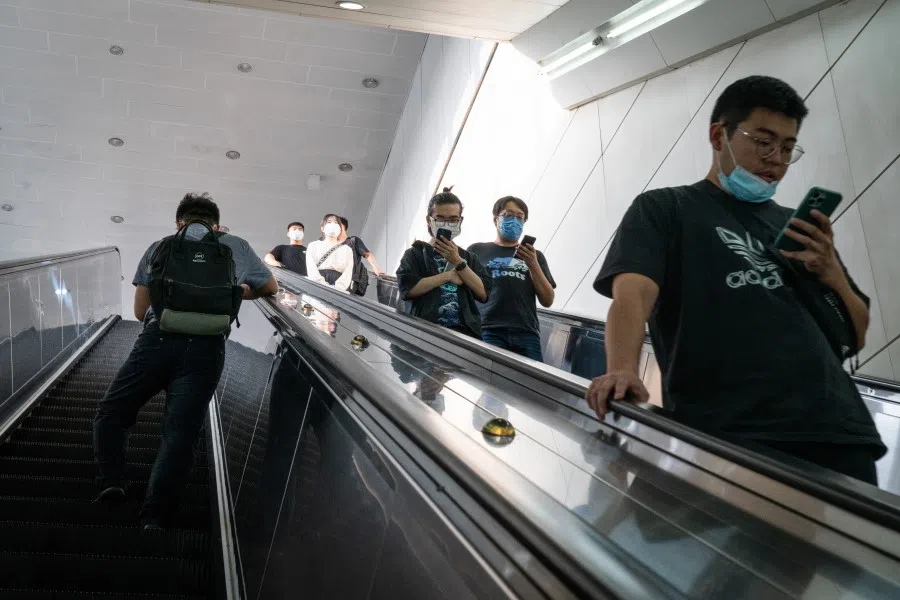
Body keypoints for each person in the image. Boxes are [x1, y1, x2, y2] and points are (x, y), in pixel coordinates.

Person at [585, 75, 886, 484]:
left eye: (787, 147)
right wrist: (622, 368)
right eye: (763, 142)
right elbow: (633, 295)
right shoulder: (666, 208)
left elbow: (858, 333)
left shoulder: (796, 228)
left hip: (839, 430)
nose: (776, 159)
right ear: (718, 136)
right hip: (729, 429)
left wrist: (831, 270)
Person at [93, 192, 278, 527]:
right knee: (180, 433)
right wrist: (239, 291)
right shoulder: (236, 246)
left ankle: (113, 483)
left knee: (112, 412)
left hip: (158, 341)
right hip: (207, 348)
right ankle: (155, 517)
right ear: (216, 225)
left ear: (179, 222)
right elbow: (271, 286)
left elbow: (140, 310)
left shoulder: (160, 246)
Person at [468, 196, 556, 361]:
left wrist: (533, 264)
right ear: (496, 219)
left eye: (520, 217)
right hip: (488, 328)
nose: (514, 221)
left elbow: (547, 300)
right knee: (488, 376)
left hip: (526, 331)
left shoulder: (535, 256)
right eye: (508, 215)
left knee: (531, 377)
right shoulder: (477, 250)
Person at [396, 188, 492, 339]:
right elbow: (407, 290)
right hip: (425, 332)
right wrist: (447, 276)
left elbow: (483, 294)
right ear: (429, 220)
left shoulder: (469, 257)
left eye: (453, 220)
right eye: (440, 219)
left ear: (460, 221)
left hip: (465, 334)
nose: (446, 224)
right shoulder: (415, 254)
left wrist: (458, 262)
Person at [306, 214, 355, 293]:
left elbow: (348, 271)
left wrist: (339, 287)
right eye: (329, 222)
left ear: (340, 229)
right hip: (317, 283)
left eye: (336, 223)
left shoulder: (347, 249)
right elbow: (311, 267)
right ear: (322, 228)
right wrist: (320, 284)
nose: (333, 225)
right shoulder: (313, 245)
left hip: (339, 285)